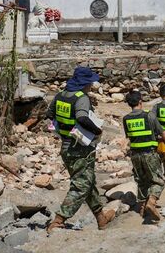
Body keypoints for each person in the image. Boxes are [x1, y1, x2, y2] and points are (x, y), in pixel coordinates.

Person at [46, 66, 115, 232]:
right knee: (81, 185)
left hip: (66, 146)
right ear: (84, 83)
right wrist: (97, 131)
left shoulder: (60, 95)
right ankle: (59, 220)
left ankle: (101, 218)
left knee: (88, 181)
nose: (91, 85)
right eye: (90, 82)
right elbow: (82, 118)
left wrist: (64, 128)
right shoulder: (81, 98)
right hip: (80, 149)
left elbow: (49, 115)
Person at [122, 91, 165, 222]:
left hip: (135, 155)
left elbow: (134, 136)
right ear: (140, 101)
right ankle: (151, 201)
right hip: (149, 154)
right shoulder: (149, 115)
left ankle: (142, 208)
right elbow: (163, 133)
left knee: (141, 181)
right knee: (158, 181)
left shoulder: (126, 119)